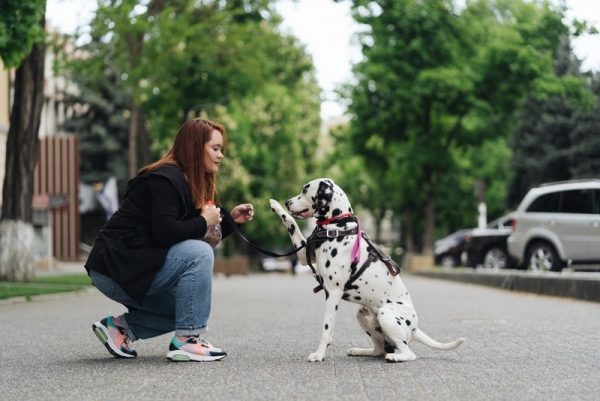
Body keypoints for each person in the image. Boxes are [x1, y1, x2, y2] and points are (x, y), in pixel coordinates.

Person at [85, 117, 254, 362]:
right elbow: (166, 232)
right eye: (215, 149)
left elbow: (190, 235)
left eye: (221, 150)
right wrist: (204, 220)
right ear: (196, 148)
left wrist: (229, 222)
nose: (221, 156)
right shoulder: (166, 178)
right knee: (199, 254)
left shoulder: (186, 182)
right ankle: (187, 341)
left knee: (188, 309)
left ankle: (119, 329)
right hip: (115, 266)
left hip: (125, 266)